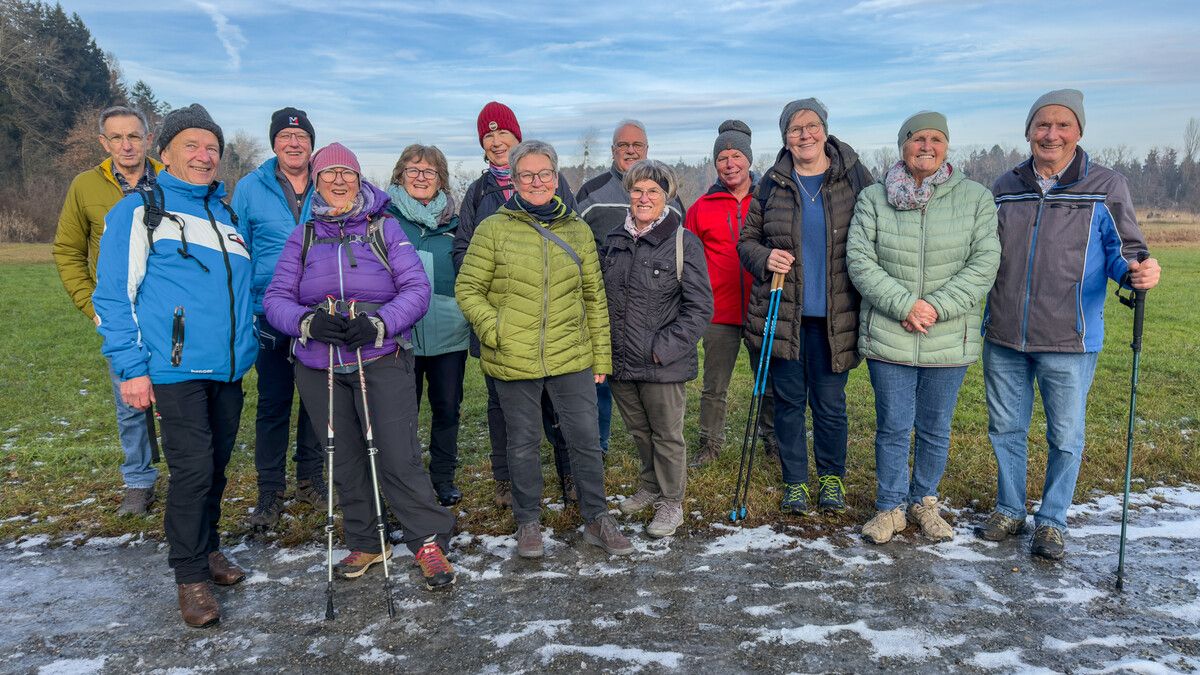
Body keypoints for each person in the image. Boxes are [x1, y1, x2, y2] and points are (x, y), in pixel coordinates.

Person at [976, 89, 1162, 560]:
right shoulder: (1004, 186)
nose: (1051, 134)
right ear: (1029, 131)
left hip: (1069, 337)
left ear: (1079, 131)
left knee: (1066, 435)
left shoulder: (1105, 185)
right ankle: (1009, 508)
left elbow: (1126, 251)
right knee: (1005, 429)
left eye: (1062, 125)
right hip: (1004, 333)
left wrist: (1140, 270)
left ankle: (1052, 520)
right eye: (1042, 125)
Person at [263, 142, 457, 589]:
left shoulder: (384, 228)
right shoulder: (305, 234)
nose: (337, 180)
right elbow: (275, 300)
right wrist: (307, 322)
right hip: (321, 362)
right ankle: (368, 539)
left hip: (380, 357)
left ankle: (427, 540)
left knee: (396, 452)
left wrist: (380, 324)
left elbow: (416, 289)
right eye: (327, 173)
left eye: (345, 173)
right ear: (316, 180)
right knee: (344, 455)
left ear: (359, 178)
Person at [93, 104, 256, 627]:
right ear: (164, 153)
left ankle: (207, 549)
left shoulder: (227, 216)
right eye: (191, 145)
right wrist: (131, 368)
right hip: (173, 369)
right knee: (191, 472)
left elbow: (240, 293)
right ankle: (189, 576)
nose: (204, 156)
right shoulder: (140, 212)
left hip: (228, 371)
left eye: (211, 147)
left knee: (216, 469)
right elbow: (114, 296)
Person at [456, 139, 634, 559]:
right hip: (513, 357)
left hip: (571, 354)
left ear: (556, 178)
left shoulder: (576, 230)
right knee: (522, 441)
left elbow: (594, 296)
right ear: (514, 181)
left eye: (544, 174)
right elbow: (468, 288)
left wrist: (601, 358)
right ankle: (528, 521)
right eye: (527, 175)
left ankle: (596, 517)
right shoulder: (493, 229)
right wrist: (494, 329)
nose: (537, 182)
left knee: (585, 439)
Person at [847, 112, 1000, 544]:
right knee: (893, 425)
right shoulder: (874, 198)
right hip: (890, 333)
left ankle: (925, 501)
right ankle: (889, 508)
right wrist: (904, 305)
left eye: (937, 138)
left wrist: (934, 307)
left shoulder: (974, 198)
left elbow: (984, 262)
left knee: (935, 427)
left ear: (947, 146)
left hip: (947, 335)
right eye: (918, 138)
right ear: (903, 145)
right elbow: (860, 259)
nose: (927, 146)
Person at [737, 98, 873, 515]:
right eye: (795, 129)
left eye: (812, 126)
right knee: (790, 402)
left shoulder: (854, 178)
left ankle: (832, 478)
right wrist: (764, 259)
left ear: (825, 130)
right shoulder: (771, 183)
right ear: (785, 138)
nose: (805, 135)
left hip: (836, 317)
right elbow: (747, 241)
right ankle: (795, 482)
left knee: (830, 403)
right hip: (785, 315)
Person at [451, 101, 578, 508]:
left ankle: (570, 475)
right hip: (502, 322)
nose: (496, 141)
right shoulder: (478, 192)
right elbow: (463, 252)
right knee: (501, 406)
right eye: (488, 136)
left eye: (502, 133)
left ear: (518, 138)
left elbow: (575, 244)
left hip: (550, 321)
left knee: (557, 404)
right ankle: (508, 479)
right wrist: (493, 315)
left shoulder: (554, 183)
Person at [53, 105, 162, 516]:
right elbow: (67, 251)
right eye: (116, 137)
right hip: (120, 312)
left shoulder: (169, 179)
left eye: (133, 136)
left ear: (148, 139)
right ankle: (138, 480)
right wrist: (91, 305)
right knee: (130, 397)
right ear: (103, 142)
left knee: (175, 399)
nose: (126, 144)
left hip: (169, 312)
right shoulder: (85, 186)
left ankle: (190, 475)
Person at [604, 160, 712, 537]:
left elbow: (699, 307)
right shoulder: (615, 240)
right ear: (628, 195)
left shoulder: (683, 242)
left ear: (666, 196)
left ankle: (671, 502)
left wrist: (662, 348)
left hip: (661, 361)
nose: (644, 197)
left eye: (653, 191)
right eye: (637, 190)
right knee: (639, 431)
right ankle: (649, 486)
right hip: (621, 361)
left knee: (667, 434)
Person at [231, 107, 324, 530]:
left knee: (316, 402)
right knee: (272, 403)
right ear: (274, 144)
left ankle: (311, 477)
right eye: (286, 138)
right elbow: (238, 253)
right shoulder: (250, 188)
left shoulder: (327, 184)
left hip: (319, 312)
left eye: (301, 137)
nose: (294, 144)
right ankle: (270, 490)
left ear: (311, 143)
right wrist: (248, 306)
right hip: (269, 312)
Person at [576, 119, 685, 454]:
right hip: (601, 306)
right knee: (599, 382)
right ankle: (598, 448)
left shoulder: (669, 197)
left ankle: (656, 456)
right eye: (623, 145)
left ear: (647, 149)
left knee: (650, 390)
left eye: (637, 145)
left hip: (652, 314)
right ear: (613, 150)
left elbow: (683, 251)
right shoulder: (591, 193)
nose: (630, 151)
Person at [686, 120, 776, 467]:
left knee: (767, 380)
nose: (730, 163)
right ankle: (709, 444)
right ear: (715, 163)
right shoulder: (701, 208)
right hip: (718, 312)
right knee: (714, 386)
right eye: (722, 157)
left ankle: (773, 440)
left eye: (737, 155)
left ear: (749, 159)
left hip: (762, 307)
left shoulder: (768, 200)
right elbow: (688, 261)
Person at [385, 144, 469, 506]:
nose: (421, 177)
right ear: (399, 176)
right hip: (399, 335)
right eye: (413, 170)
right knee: (404, 412)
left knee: (447, 407)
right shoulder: (385, 220)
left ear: (441, 179)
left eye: (429, 172)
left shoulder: (455, 222)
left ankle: (443, 478)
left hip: (449, 332)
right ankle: (407, 481)